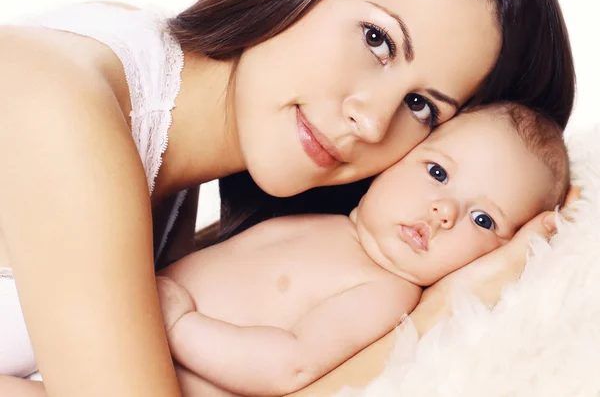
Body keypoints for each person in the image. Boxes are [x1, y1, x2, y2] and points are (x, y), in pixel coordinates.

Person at [0, 0, 575, 396]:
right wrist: (437, 321)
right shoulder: (62, 106)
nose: (372, 121)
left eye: (421, 106)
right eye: (377, 39)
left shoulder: (157, 138)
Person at [1, 102, 570, 397]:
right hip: (101, 339)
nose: (443, 212)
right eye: (439, 171)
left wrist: (175, 324)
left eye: (481, 218)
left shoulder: (385, 290)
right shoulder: (323, 221)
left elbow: (289, 362)